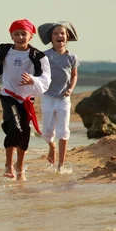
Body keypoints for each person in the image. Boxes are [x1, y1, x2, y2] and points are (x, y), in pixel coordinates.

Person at [0, 19, 51, 180]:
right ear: (11, 35)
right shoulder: (4, 50)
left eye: (24, 34)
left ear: (31, 36)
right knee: (14, 128)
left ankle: (19, 165)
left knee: (24, 133)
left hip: (27, 98)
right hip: (8, 95)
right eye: (16, 34)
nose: (20, 37)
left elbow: (46, 78)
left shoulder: (38, 56)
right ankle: (8, 164)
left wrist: (32, 81)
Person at [37, 21, 80, 173]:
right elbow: (39, 73)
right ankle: (51, 147)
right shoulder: (45, 55)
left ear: (67, 37)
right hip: (48, 96)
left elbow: (74, 75)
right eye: (56, 33)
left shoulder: (72, 57)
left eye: (62, 33)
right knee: (47, 132)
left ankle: (61, 165)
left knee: (63, 131)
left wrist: (71, 89)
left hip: (64, 99)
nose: (59, 36)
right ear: (51, 38)